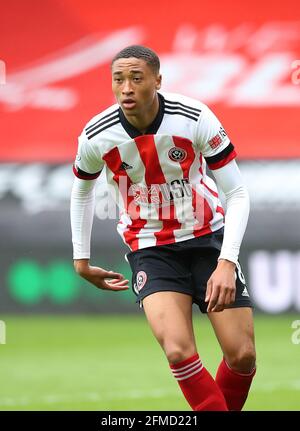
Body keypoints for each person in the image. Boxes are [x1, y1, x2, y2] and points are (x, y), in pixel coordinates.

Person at [70, 45, 256, 411]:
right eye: (118, 79)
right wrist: (81, 259)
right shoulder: (96, 135)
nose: (126, 88)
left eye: (136, 79)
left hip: (208, 240)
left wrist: (227, 262)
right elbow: (82, 192)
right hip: (150, 249)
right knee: (177, 350)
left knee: (243, 356)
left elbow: (237, 193)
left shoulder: (194, 117)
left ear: (157, 81)